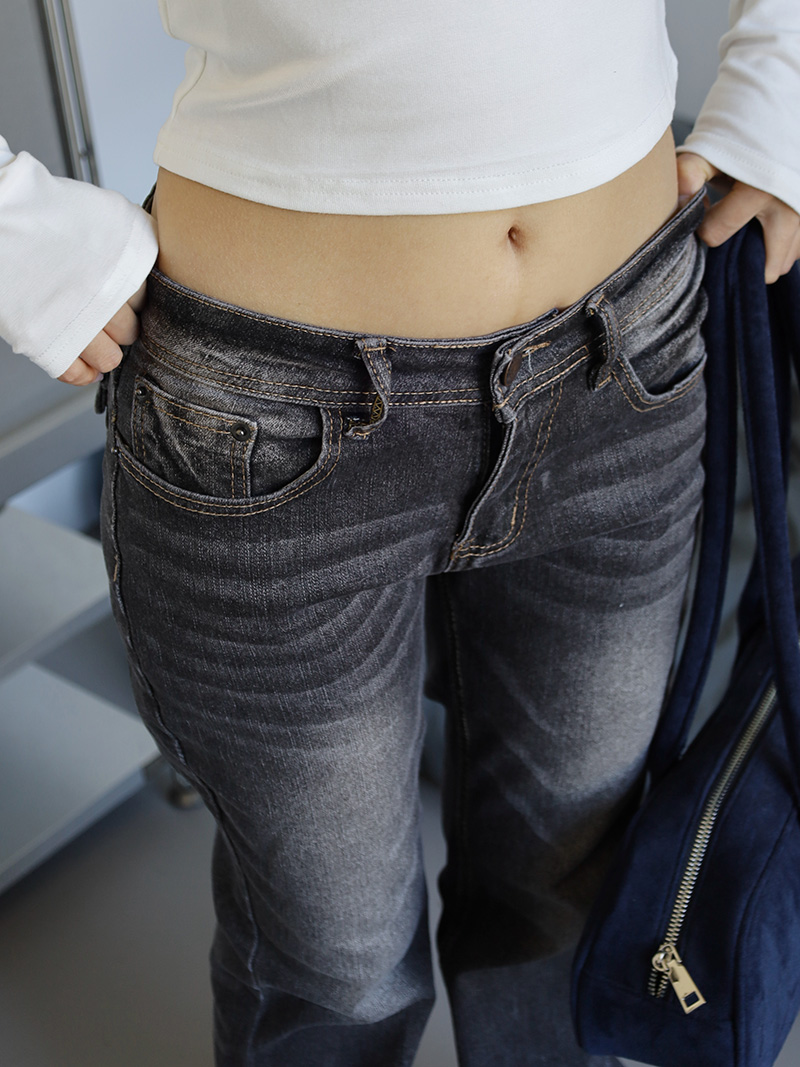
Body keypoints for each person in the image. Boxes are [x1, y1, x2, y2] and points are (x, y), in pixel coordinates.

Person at [2, 2, 800, 1064]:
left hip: (624, 360)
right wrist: (16, 237)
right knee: (338, 966)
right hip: (270, 418)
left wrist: (784, 72)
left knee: (566, 889)